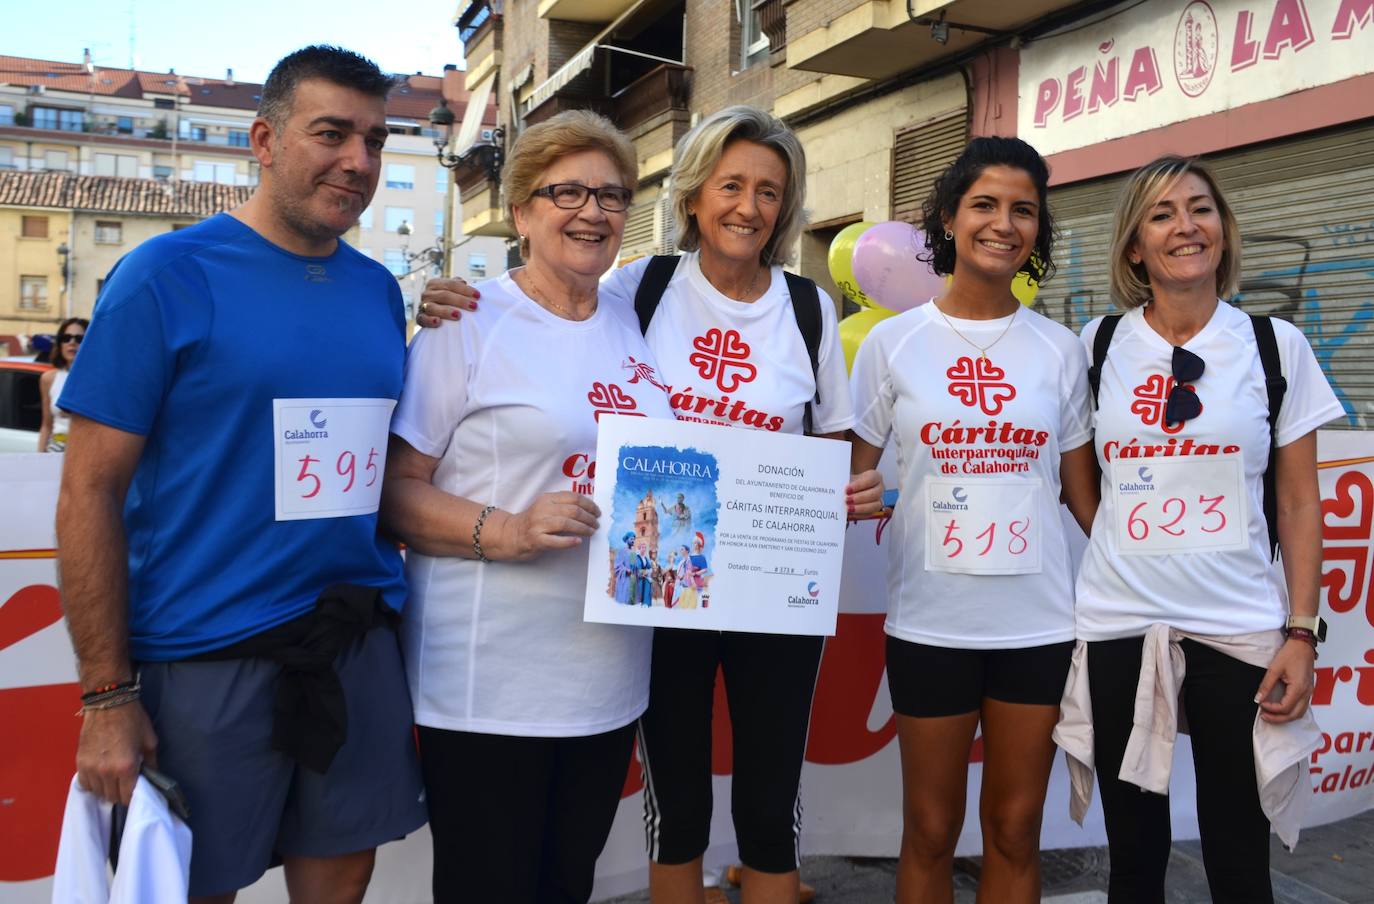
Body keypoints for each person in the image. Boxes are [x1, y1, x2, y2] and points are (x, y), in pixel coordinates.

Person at [419, 105, 884, 904]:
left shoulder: (809, 308)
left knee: (772, 781)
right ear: (693, 195)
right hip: (662, 576)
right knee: (675, 787)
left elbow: (836, 446)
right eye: (730, 184)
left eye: (769, 191)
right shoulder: (640, 289)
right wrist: (440, 298)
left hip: (769, 583)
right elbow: (544, 313)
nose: (748, 206)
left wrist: (845, 492)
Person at [53, 46, 426, 903]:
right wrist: (106, 696)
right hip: (204, 658)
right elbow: (88, 494)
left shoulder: (377, 291)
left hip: (353, 644)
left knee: (341, 879)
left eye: (375, 140)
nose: (359, 162)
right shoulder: (164, 276)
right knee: (194, 888)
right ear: (262, 139)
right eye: (331, 134)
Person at [379, 109, 676, 904]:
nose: (593, 212)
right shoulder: (467, 322)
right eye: (567, 191)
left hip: (608, 674)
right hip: (491, 680)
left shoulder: (629, 319)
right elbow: (394, 492)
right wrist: (507, 529)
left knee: (565, 886)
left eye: (612, 196)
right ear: (520, 213)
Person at [1056, 155, 1340, 903]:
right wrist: (1128, 541)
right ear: (1134, 247)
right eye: (1162, 214)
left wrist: (1302, 633)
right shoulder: (1098, 346)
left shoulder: (1276, 347)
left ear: (1223, 229)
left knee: (1239, 860)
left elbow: (1300, 503)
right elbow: (1080, 480)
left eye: (1201, 208)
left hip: (1238, 627)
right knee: (1136, 859)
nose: (1186, 226)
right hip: (1122, 624)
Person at [848, 136, 1099, 904]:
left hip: (1037, 625)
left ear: (1038, 230)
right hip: (931, 626)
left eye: (1024, 210)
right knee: (929, 828)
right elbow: (849, 476)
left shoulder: (1061, 351)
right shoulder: (893, 344)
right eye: (984, 204)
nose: (1004, 223)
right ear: (949, 219)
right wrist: (854, 494)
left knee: (1017, 828)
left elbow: (1084, 498)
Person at [37, 316, 87, 451]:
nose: (72, 343)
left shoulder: (97, 379)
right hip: (55, 449)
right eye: (66, 338)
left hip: (85, 451)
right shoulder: (48, 379)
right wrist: (39, 457)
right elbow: (46, 425)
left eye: (79, 339)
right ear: (60, 344)